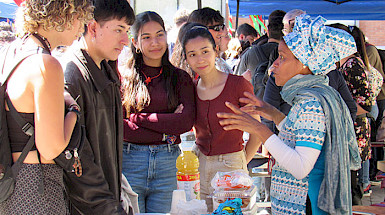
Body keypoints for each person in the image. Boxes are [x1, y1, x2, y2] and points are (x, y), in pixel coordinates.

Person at [217, 14, 361, 214]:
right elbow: (300, 133)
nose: (274, 64)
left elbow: (300, 167)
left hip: (307, 205)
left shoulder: (311, 103)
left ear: (304, 64)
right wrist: (271, 112)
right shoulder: (311, 97)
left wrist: (257, 129)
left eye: (282, 58)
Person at [0, 0, 93, 214]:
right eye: (80, 15)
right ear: (61, 14)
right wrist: (73, 113)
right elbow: (50, 147)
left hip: (9, 183)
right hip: (36, 187)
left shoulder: (12, 52)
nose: (83, 26)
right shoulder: (45, 64)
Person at [62, 0, 135, 214]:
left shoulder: (105, 70)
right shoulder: (72, 75)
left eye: (128, 31)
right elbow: (77, 164)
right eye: (119, 30)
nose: (125, 41)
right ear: (93, 27)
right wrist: (110, 209)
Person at [120, 11, 195, 213]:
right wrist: (167, 126)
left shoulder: (180, 78)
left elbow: (185, 123)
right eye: (146, 37)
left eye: (159, 34)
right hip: (130, 161)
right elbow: (120, 128)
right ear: (135, 42)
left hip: (167, 163)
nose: (155, 42)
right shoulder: (123, 79)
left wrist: (136, 118)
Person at [181, 24, 260, 212]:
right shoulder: (189, 89)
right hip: (198, 165)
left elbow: (257, 131)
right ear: (186, 58)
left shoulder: (238, 85)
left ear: (216, 51)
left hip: (231, 166)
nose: (200, 59)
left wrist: (239, 164)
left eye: (205, 51)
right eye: (192, 54)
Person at [187, 7, 233, 74]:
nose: (221, 32)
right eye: (216, 28)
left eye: (221, 27)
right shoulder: (195, 63)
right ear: (200, 29)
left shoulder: (217, 60)